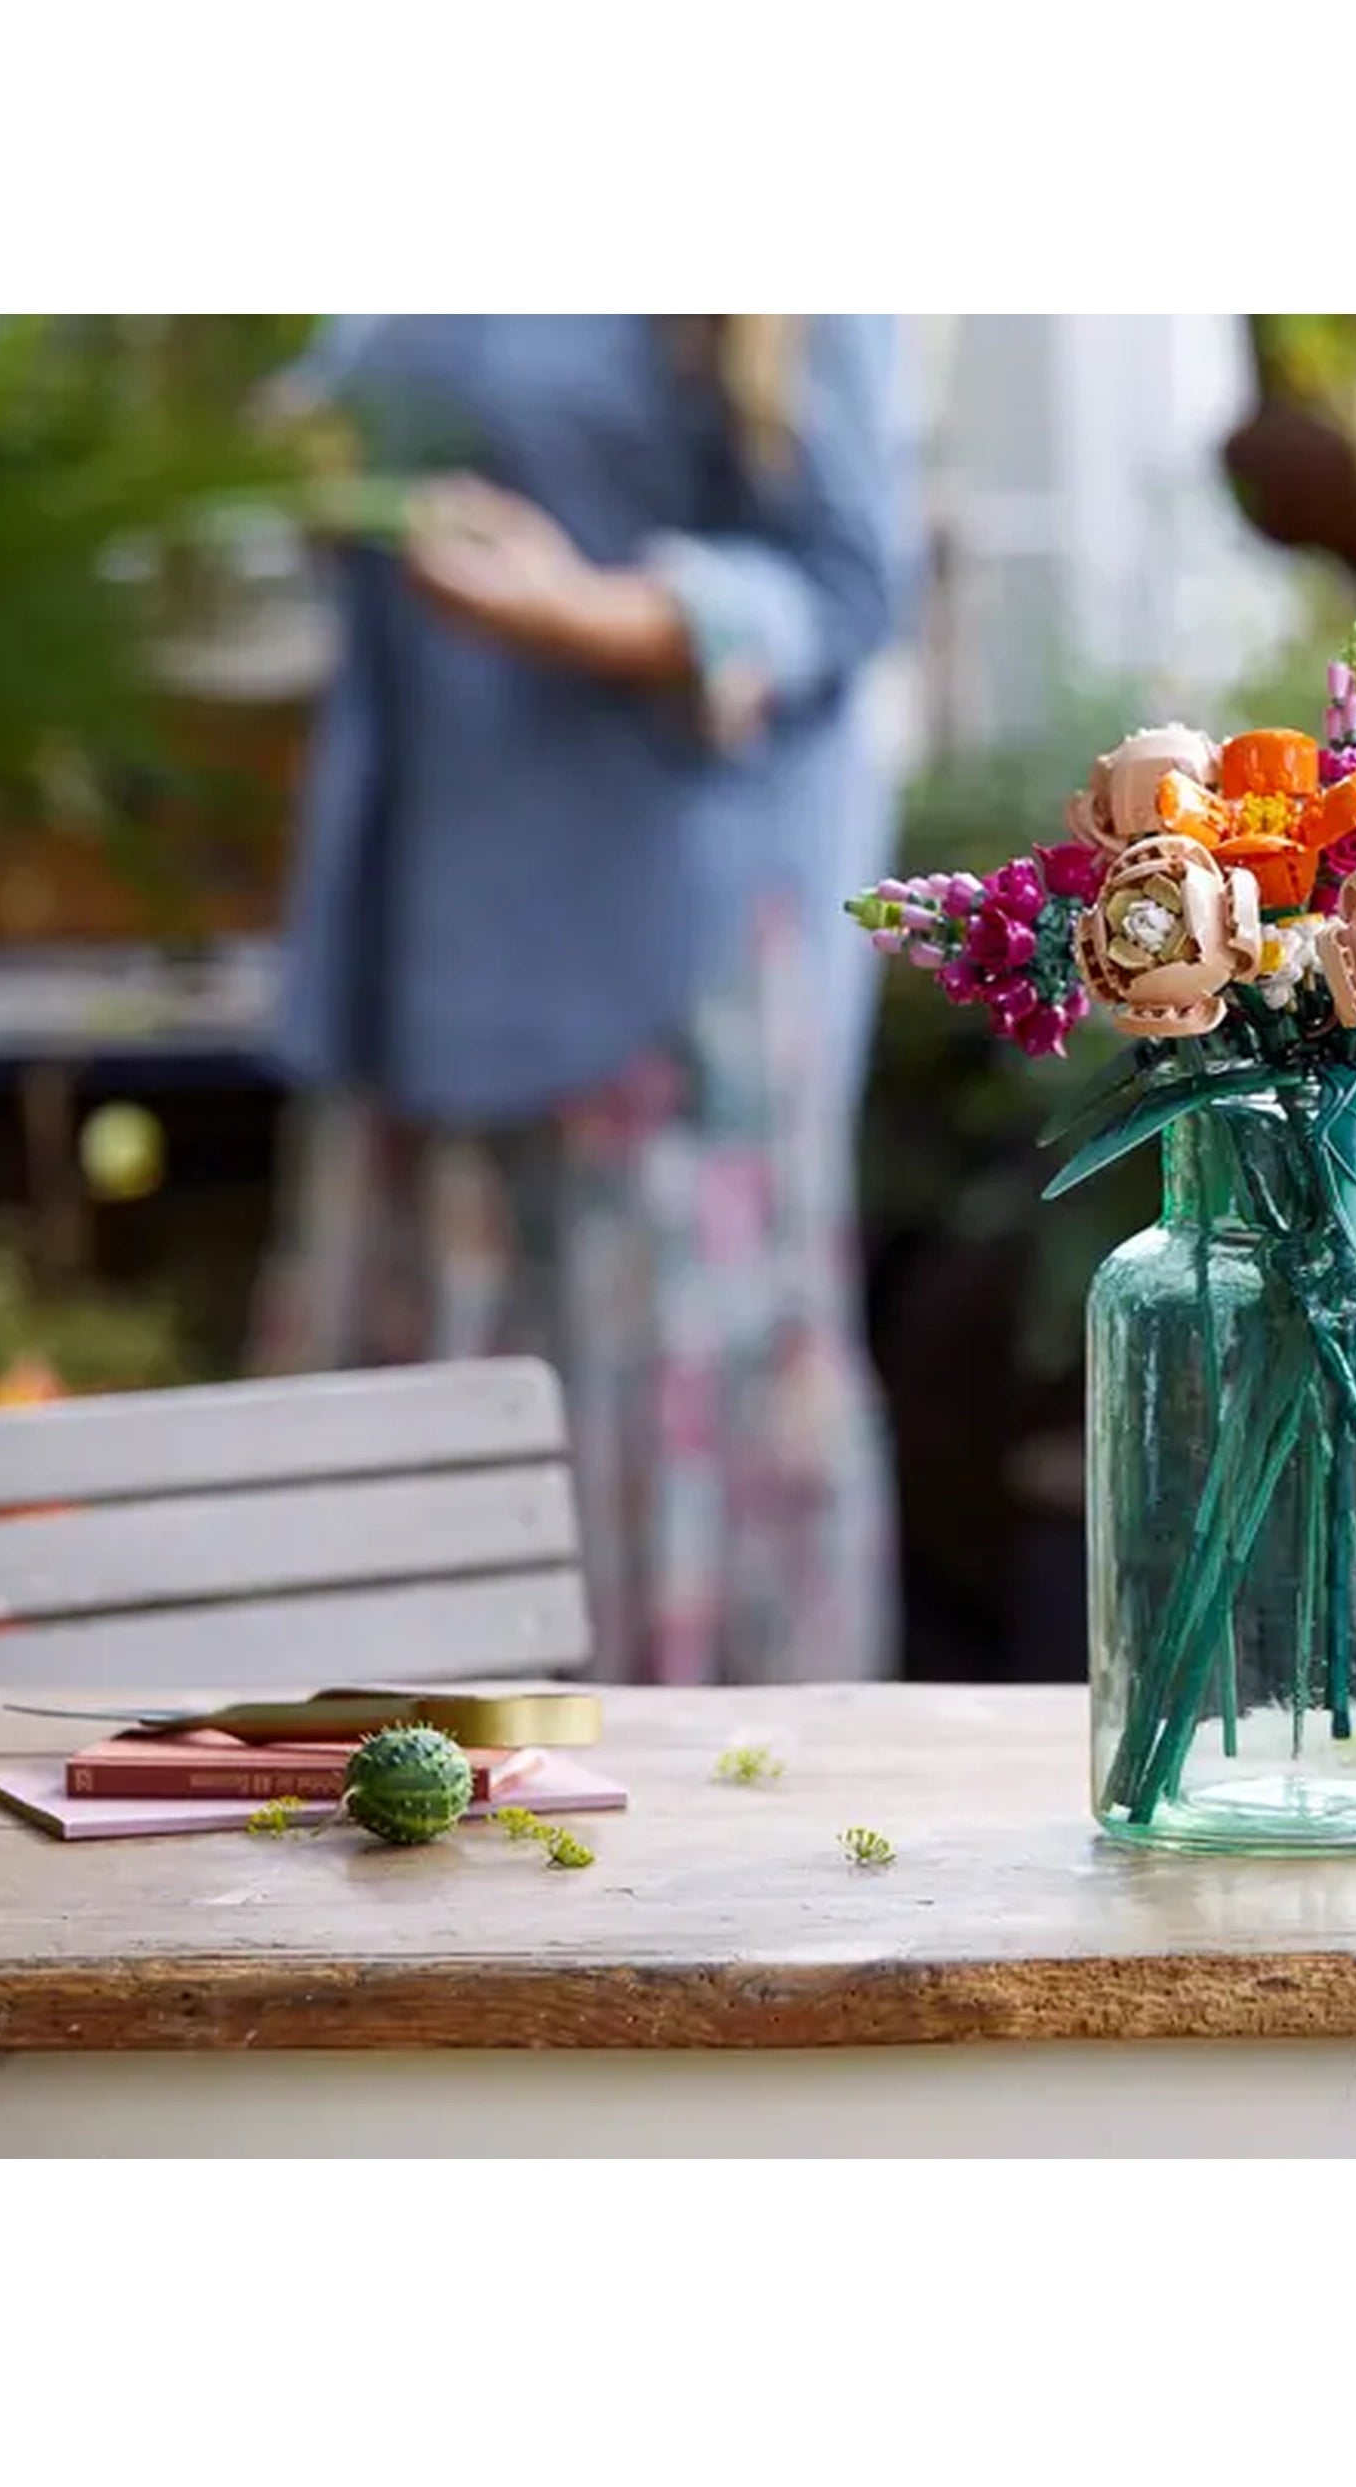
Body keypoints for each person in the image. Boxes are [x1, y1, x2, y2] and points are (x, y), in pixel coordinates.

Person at [254, 316, 914, 1686]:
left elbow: (849, 586)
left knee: (646, 1395)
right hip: (419, 928)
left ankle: (672, 1782)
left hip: (656, 956)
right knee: (409, 1397)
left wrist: (580, 611)